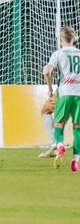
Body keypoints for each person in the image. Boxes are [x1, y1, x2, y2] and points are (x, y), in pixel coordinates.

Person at [43, 26, 80, 171]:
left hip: (65, 93)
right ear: (73, 39)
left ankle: (60, 146)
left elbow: (47, 71)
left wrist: (50, 88)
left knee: (59, 126)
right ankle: (75, 162)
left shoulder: (58, 53)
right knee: (78, 130)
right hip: (79, 95)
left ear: (60, 39)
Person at [38, 93, 58, 158]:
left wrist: (50, 89)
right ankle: (56, 144)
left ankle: (56, 143)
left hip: (65, 92)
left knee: (45, 111)